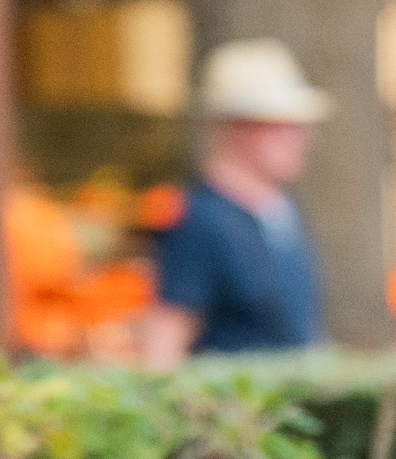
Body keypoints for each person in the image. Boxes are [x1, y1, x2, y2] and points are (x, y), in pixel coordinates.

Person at [137, 39, 331, 362]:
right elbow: (165, 340)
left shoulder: (283, 213)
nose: (299, 139)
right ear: (233, 127)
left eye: (299, 127)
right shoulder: (199, 218)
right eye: (278, 126)